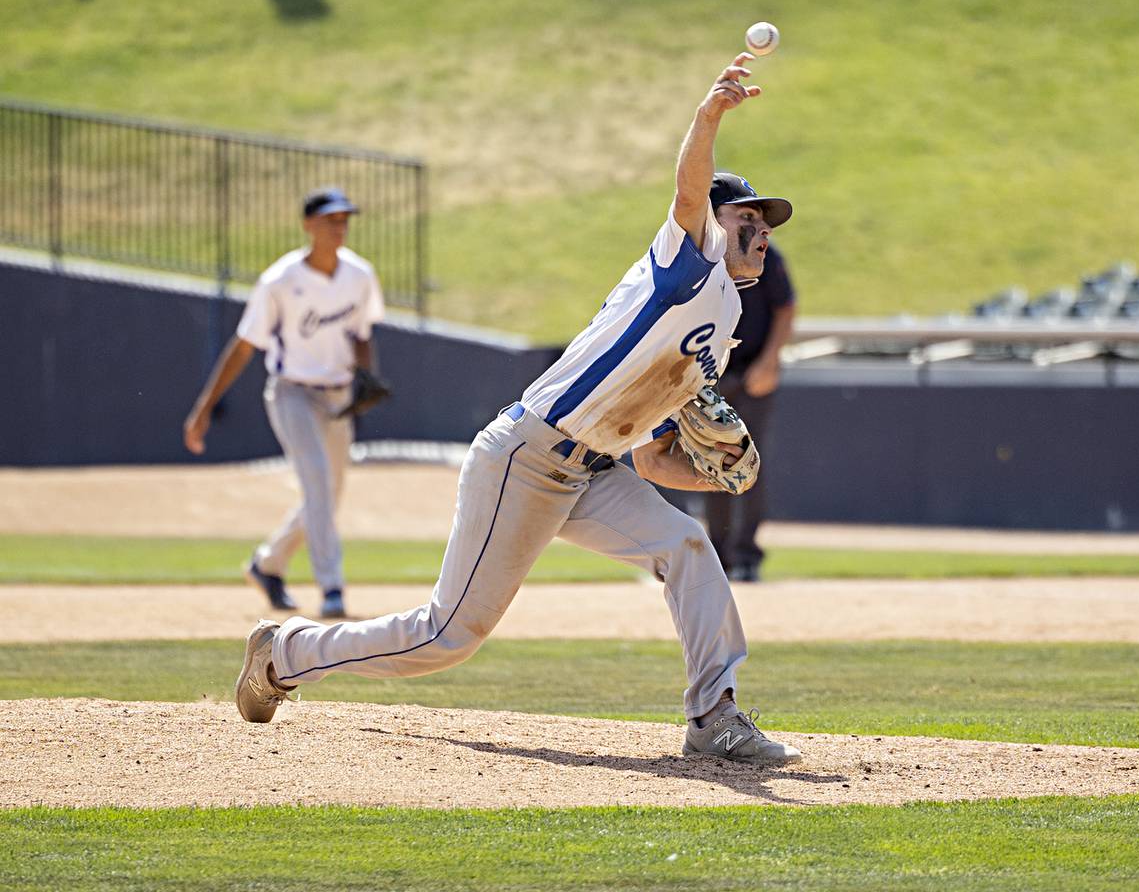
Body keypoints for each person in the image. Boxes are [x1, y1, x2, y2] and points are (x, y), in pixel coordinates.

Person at [233, 52, 802, 764]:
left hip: (593, 471)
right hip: (528, 457)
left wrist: (720, 478)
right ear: (716, 222)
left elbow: (654, 457)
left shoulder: (718, 327)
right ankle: (283, 653)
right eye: (749, 214)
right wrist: (709, 114)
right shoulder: (688, 266)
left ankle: (713, 717)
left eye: (767, 221)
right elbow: (689, 194)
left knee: (687, 545)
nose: (763, 228)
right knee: (447, 637)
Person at [183, 187, 384, 620]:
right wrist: (203, 408)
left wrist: (367, 377)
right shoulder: (280, 280)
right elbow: (244, 346)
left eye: (345, 218)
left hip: (339, 395)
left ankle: (268, 564)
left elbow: (363, 333)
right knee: (317, 485)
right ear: (308, 224)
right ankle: (332, 589)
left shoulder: (359, 275)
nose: (340, 226)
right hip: (292, 392)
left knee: (327, 497)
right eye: (331, 219)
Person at [702, 234, 795, 582]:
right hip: (713, 376)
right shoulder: (704, 258)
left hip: (754, 374)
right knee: (712, 461)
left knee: (749, 462)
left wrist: (770, 361)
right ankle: (718, 555)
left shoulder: (768, 257)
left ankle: (747, 555)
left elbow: (785, 307)